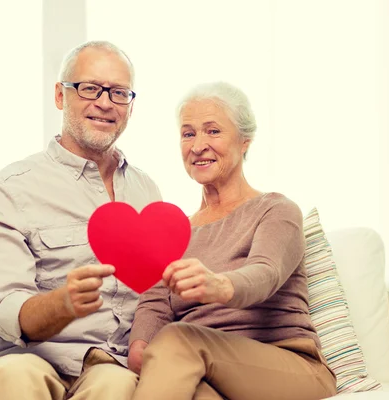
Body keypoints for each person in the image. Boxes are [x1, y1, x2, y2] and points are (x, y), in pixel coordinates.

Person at [0, 41, 161, 400]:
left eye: (118, 93)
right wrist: (62, 304)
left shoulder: (148, 192)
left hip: (109, 365)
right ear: (59, 95)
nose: (104, 102)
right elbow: (6, 310)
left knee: (116, 388)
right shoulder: (4, 192)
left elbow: (157, 297)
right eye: (89, 88)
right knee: (13, 378)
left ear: (131, 106)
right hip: (28, 358)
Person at [127, 82, 337, 400]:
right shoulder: (175, 232)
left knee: (178, 338)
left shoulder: (276, 209)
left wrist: (220, 286)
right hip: (202, 367)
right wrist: (140, 347)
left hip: (288, 365)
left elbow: (265, 273)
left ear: (244, 143)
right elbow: (155, 303)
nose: (198, 146)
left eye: (213, 131)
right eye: (188, 133)